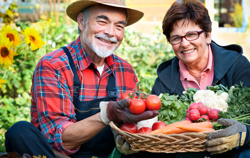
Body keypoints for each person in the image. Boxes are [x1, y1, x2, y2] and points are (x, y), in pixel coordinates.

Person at [4, 0, 159, 158]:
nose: (112, 33)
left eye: (119, 26)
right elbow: (61, 141)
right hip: (58, 155)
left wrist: (129, 140)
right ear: (81, 21)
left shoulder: (125, 70)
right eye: (102, 21)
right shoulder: (54, 66)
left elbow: (131, 128)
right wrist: (107, 115)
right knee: (19, 133)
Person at [150, 0, 250, 158]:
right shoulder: (164, 81)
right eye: (176, 38)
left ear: (208, 35)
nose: (184, 44)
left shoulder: (236, 66)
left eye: (191, 34)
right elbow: (154, 131)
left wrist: (244, 134)